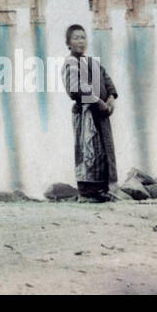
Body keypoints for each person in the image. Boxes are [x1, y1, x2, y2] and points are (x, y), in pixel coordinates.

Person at [61, 24, 118, 202]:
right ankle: (88, 190)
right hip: (85, 114)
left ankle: (103, 188)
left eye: (83, 37)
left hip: (101, 115)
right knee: (89, 151)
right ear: (68, 43)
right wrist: (98, 102)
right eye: (76, 38)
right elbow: (75, 89)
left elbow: (107, 79)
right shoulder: (70, 63)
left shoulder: (92, 62)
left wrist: (111, 99)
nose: (80, 41)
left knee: (103, 149)